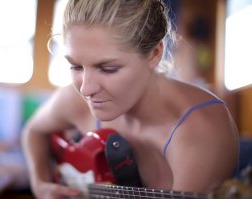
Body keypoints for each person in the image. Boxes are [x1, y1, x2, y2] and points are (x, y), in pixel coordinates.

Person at [21, 0, 239, 198]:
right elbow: (33, 131)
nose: (86, 89)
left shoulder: (199, 129)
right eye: (76, 66)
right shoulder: (74, 99)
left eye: (108, 68)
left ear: (154, 54)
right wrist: (40, 184)